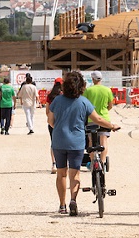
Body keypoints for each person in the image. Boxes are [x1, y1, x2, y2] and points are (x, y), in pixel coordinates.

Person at [47, 70, 120, 216]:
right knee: (75, 174)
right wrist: (112, 126)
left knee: (61, 174)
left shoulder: (57, 101)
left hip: (59, 140)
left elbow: (50, 120)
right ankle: (73, 200)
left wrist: (60, 129)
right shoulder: (83, 102)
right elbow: (98, 119)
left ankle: (62, 205)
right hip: (77, 141)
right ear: (81, 86)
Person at [82, 71, 115, 167]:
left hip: (91, 118)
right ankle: (103, 162)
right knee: (103, 140)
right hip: (104, 118)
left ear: (92, 79)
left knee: (91, 140)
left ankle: (92, 162)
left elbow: (84, 104)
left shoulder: (88, 90)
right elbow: (110, 105)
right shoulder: (107, 90)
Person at [45, 78, 63, 174]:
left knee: (53, 143)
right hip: (63, 122)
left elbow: (47, 111)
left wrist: (51, 120)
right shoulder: (64, 95)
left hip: (53, 122)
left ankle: (54, 163)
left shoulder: (50, 96)